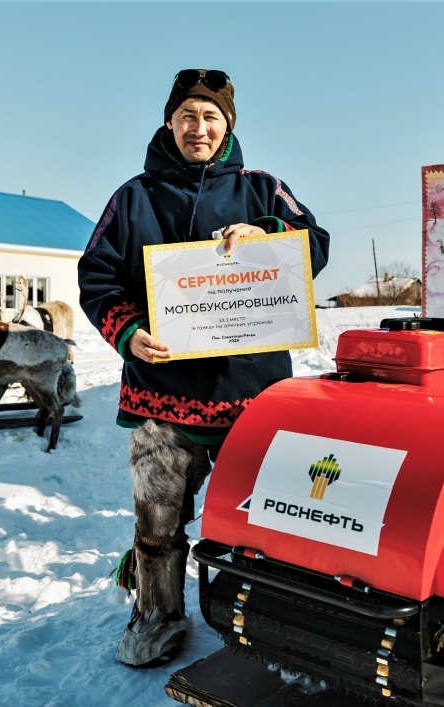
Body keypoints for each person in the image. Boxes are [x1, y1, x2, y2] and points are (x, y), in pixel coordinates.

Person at [78, 69, 329, 667]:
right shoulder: (133, 196)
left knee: (267, 518)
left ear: (228, 125)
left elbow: (314, 244)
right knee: (158, 518)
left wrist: (268, 234)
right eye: (188, 116)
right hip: (162, 395)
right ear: (169, 122)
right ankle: (158, 617)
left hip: (253, 392)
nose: (199, 128)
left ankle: (269, 619)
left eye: (211, 117)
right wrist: (128, 333)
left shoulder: (263, 188)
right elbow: (97, 276)